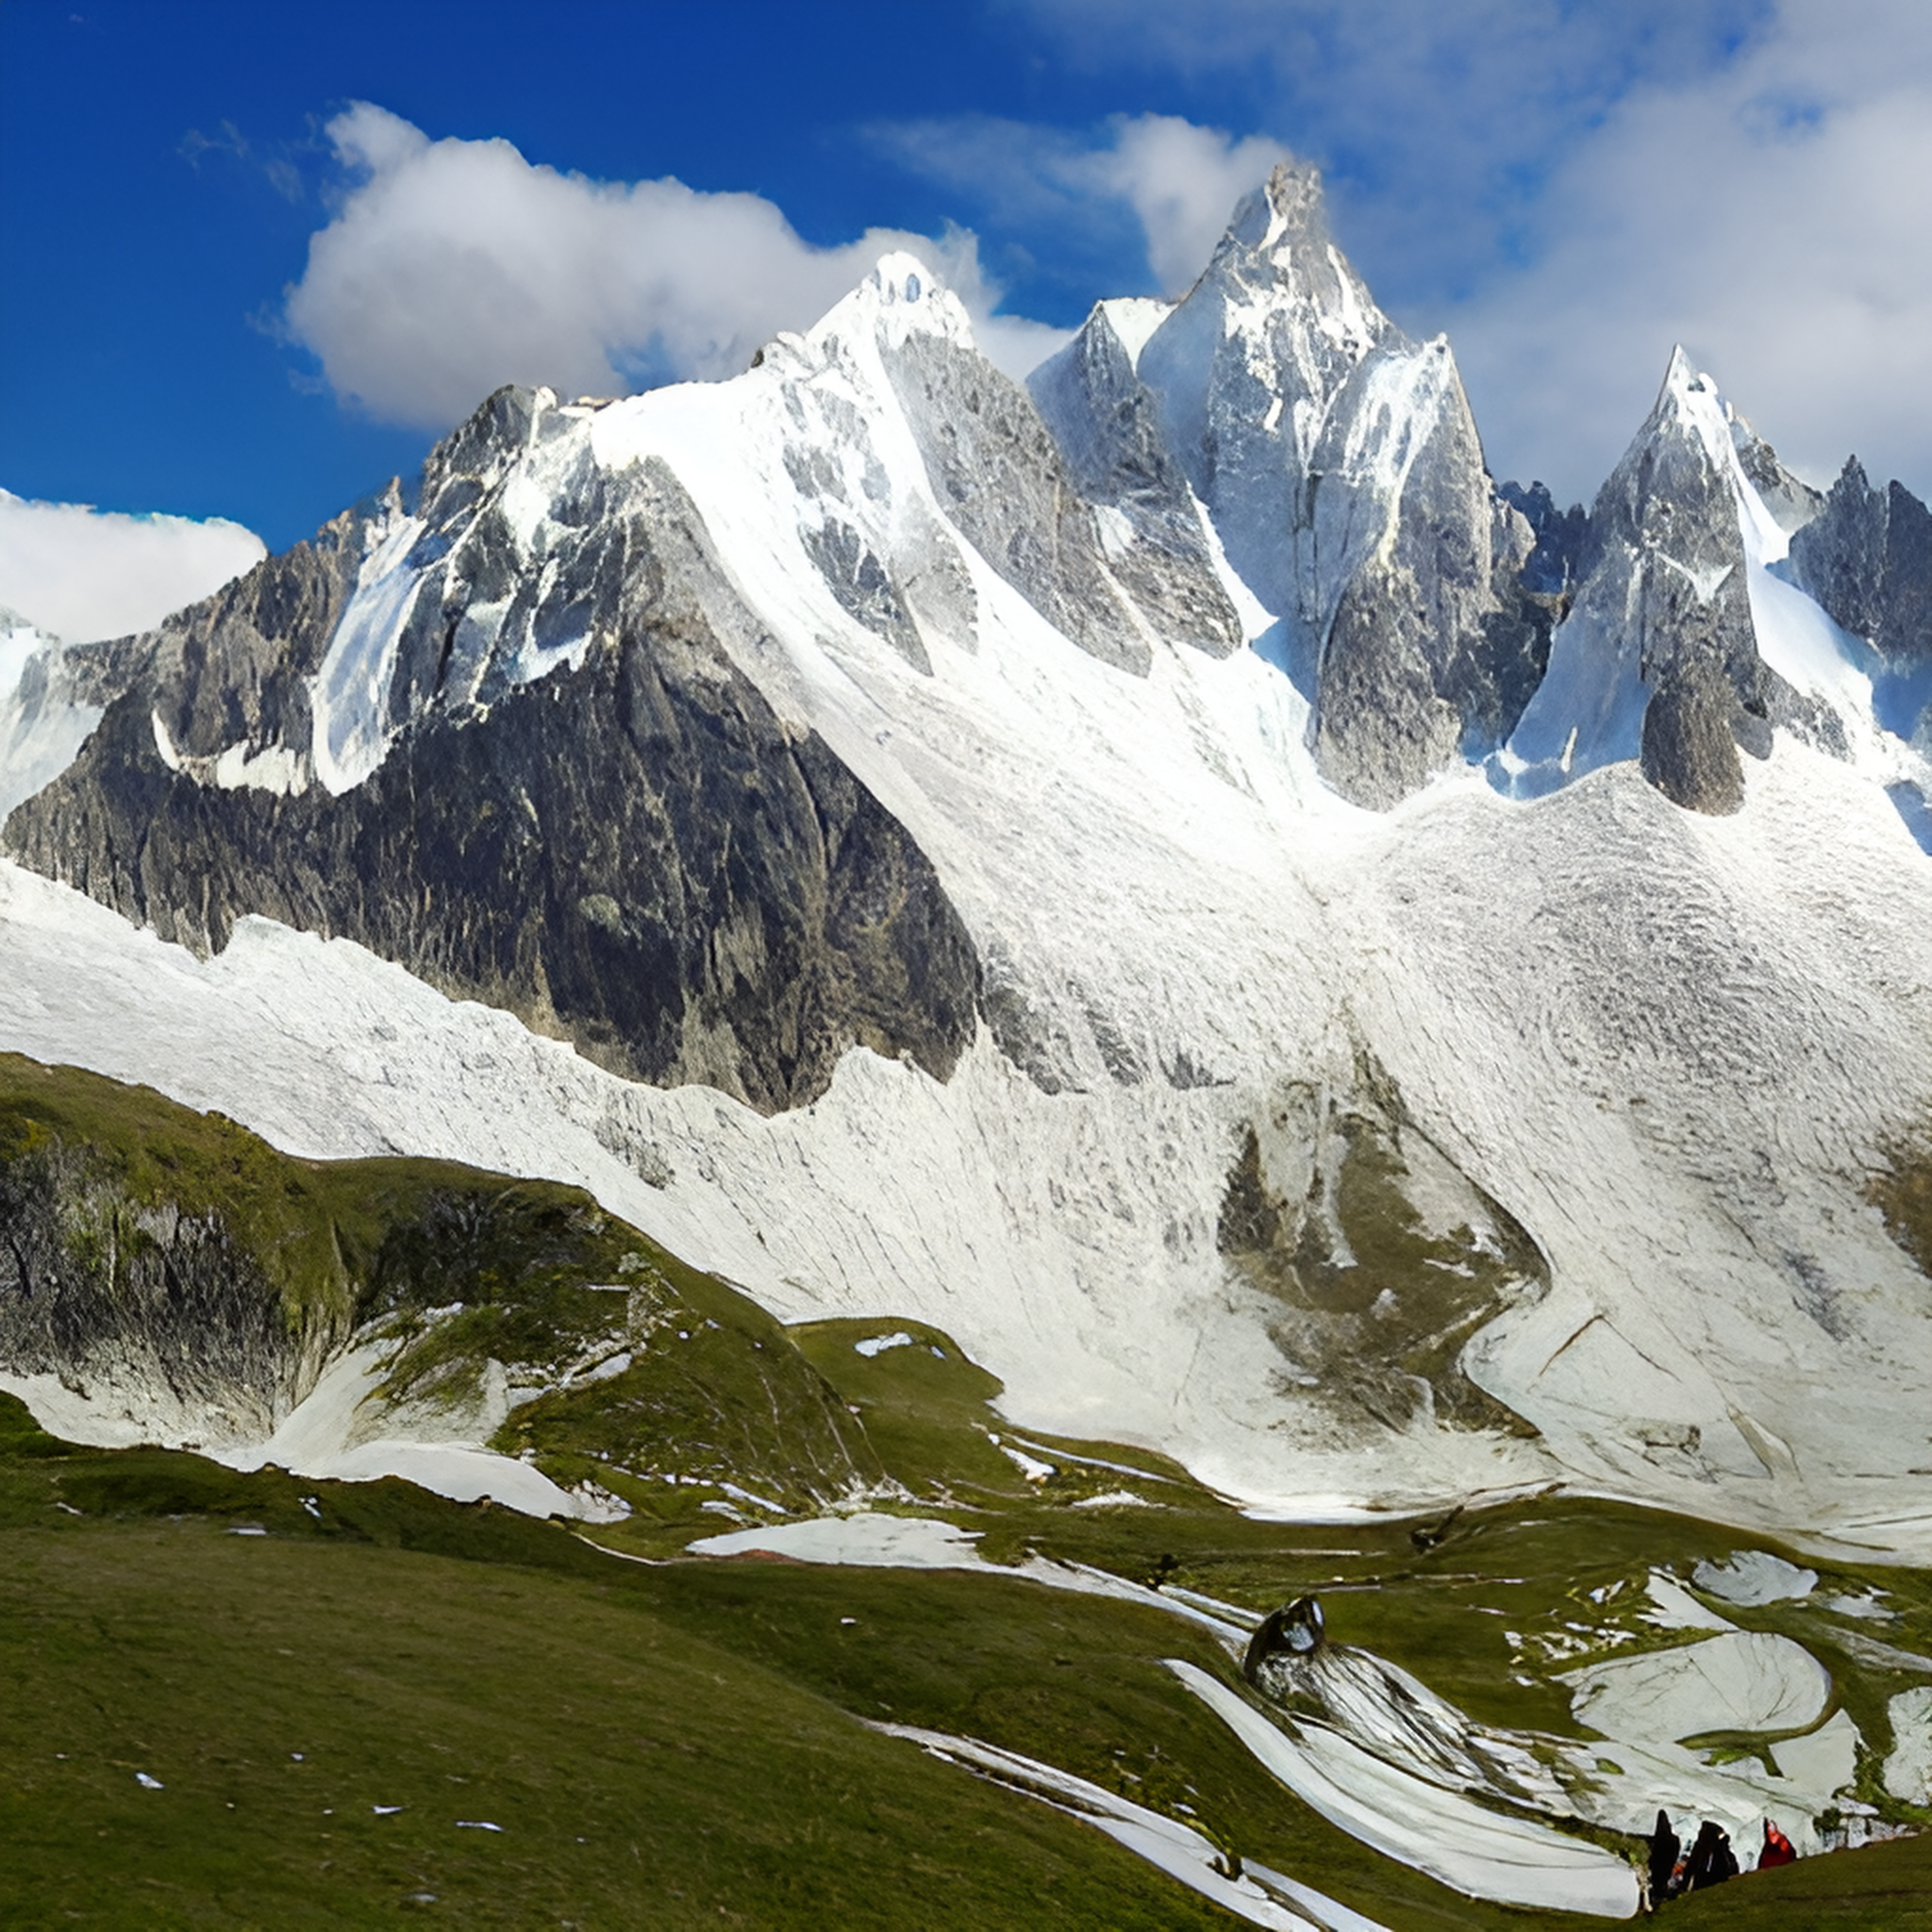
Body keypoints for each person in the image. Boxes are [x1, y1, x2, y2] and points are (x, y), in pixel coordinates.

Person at [1646, 1809, 1680, 1906]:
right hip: (1667, 1867)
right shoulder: (1675, 1839)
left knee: (1658, 1883)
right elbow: (1676, 1853)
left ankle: (1656, 1899)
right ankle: (1661, 1897)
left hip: (1657, 1868)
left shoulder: (1657, 1839)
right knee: (1662, 1881)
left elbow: (1652, 1855)